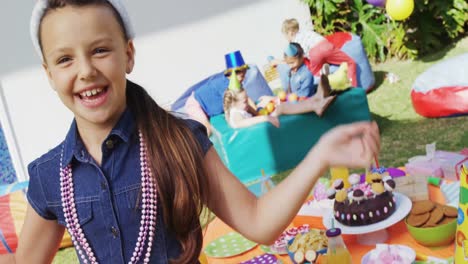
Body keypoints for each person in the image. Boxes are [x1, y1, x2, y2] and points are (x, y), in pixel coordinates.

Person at [0, 1, 380, 263]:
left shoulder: (180, 142)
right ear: (49, 74)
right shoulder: (50, 177)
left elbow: (260, 222)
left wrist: (320, 155)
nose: (85, 70)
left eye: (100, 50)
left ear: (128, 54)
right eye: (65, 59)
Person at [183, 51, 270, 136]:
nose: (243, 79)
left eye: (244, 75)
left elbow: (246, 99)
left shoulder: (236, 83)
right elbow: (229, 107)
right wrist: (257, 114)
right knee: (207, 130)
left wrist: (257, 113)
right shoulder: (224, 84)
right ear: (233, 73)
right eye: (242, 76)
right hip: (196, 103)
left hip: (206, 106)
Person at [277, 18, 358, 87]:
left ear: (290, 32)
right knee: (350, 63)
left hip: (315, 54)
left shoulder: (294, 43)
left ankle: (321, 73)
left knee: (312, 75)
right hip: (326, 46)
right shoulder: (307, 32)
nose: (286, 39)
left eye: (286, 36)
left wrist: (280, 62)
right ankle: (353, 88)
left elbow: (294, 59)